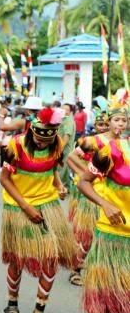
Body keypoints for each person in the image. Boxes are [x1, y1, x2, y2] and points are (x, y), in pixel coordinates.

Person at [0, 107, 76, 313]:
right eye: (39, 139)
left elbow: (52, 171)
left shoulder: (58, 145)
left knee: (51, 257)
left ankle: (40, 310)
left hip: (48, 204)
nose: (42, 143)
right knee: (18, 258)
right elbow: (5, 179)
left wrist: (59, 186)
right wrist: (26, 206)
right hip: (18, 206)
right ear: (31, 132)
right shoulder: (16, 145)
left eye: (47, 140)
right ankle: (12, 304)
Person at [76, 101, 128, 313]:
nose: (120, 123)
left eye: (123, 120)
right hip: (115, 236)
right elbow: (84, 180)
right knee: (111, 304)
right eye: (118, 119)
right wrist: (104, 203)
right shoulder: (111, 149)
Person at [65, 112, 111, 286]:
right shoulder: (90, 141)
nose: (104, 127)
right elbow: (71, 157)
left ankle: (99, 270)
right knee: (86, 234)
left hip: (109, 195)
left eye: (107, 124)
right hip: (88, 193)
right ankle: (76, 269)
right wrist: (83, 175)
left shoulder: (120, 144)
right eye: (101, 124)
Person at [58, 100, 76, 191]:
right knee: (62, 170)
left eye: (66, 109)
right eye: (62, 108)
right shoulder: (63, 120)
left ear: (70, 112)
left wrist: (59, 149)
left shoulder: (68, 121)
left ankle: (64, 189)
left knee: (63, 170)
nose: (63, 110)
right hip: (61, 149)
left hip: (65, 150)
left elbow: (66, 136)